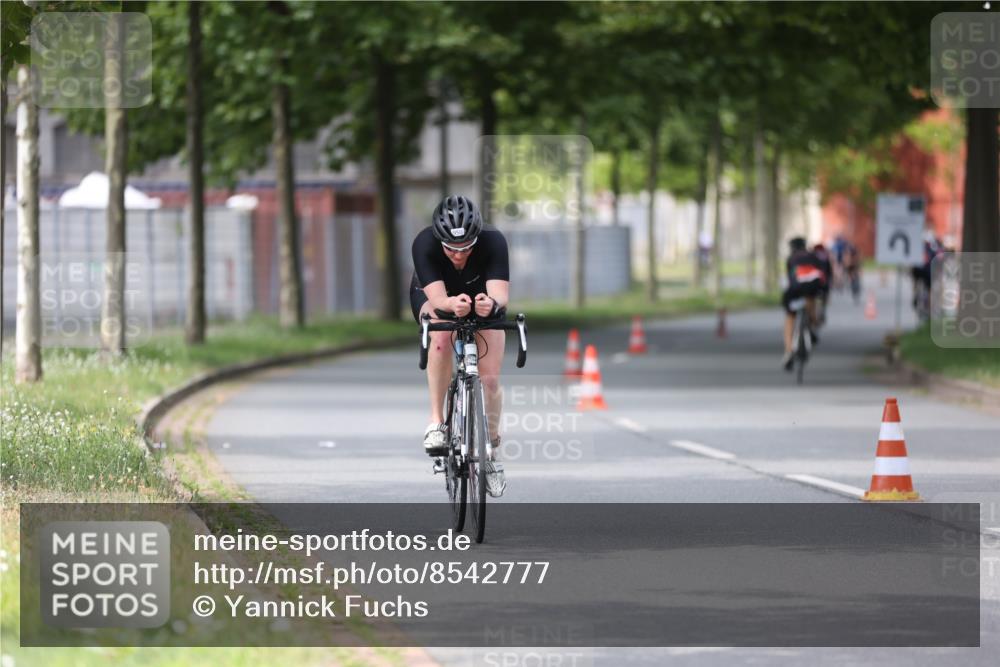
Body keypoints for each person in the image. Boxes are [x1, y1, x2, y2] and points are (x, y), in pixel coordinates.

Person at [410, 195, 510, 496]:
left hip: (479, 295)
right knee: (440, 335)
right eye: (451, 249)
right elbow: (439, 303)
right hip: (437, 294)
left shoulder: (493, 242)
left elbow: (500, 297)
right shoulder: (424, 243)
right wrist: (450, 304)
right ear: (439, 240)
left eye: (466, 247)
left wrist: (489, 305)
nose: (458, 255)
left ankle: (491, 449)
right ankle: (437, 422)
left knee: (490, 379)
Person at [781, 237, 827, 371]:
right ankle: (812, 326)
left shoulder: (791, 258)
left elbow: (790, 278)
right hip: (813, 286)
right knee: (811, 299)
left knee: (790, 317)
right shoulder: (814, 256)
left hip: (796, 287)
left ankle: (789, 351)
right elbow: (822, 275)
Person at [812, 242, 833, 325]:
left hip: (813, 282)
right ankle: (823, 311)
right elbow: (829, 271)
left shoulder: (812, 256)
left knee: (812, 297)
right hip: (824, 282)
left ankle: (813, 315)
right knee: (824, 297)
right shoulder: (825, 257)